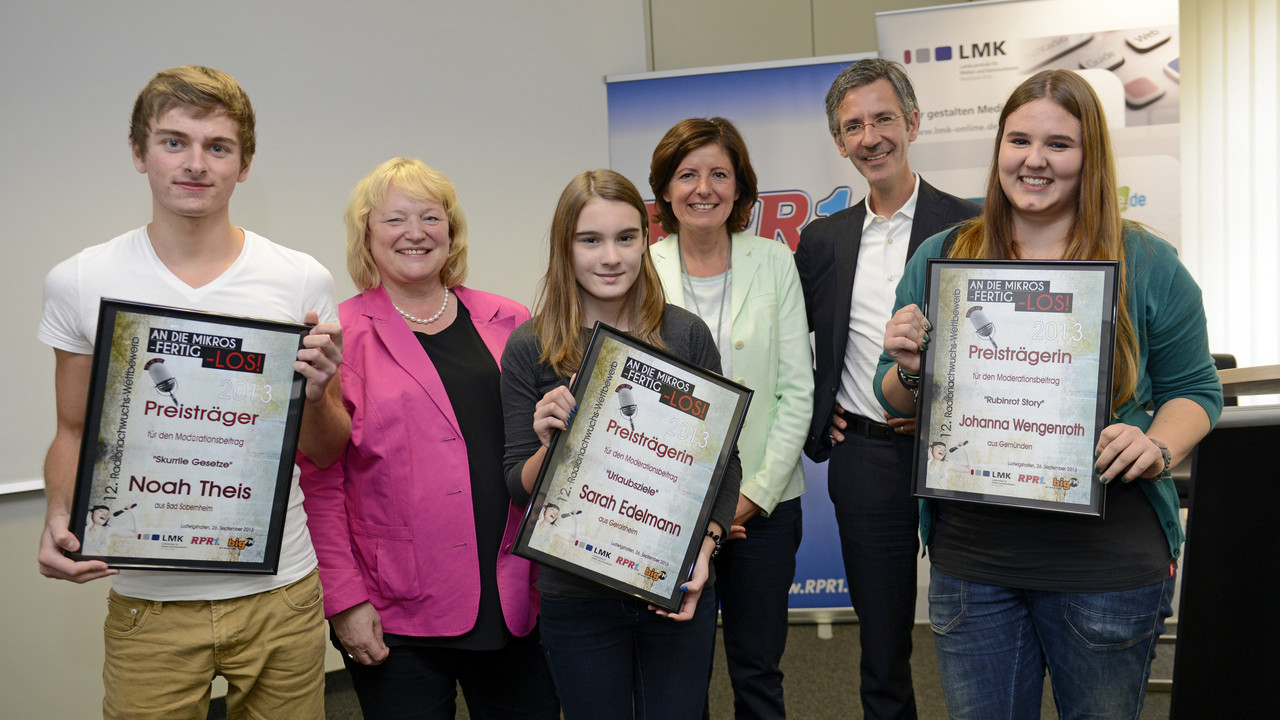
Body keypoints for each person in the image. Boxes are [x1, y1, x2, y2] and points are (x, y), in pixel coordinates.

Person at [876, 69, 1223, 718]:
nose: (1034, 160)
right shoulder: (944, 256)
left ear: (1089, 156)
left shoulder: (1147, 261)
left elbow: (1196, 392)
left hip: (1106, 568)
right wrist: (909, 364)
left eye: (1059, 145)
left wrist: (1154, 444)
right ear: (999, 149)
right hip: (974, 561)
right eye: (1018, 140)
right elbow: (893, 397)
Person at [36, 65, 349, 719]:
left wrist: (318, 394)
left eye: (218, 146)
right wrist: (56, 520)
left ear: (245, 164)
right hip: (150, 599)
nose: (195, 164)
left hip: (280, 590)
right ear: (139, 153)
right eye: (174, 141)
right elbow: (72, 431)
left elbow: (327, 447)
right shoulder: (81, 281)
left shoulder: (299, 280)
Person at [297, 158, 559, 720]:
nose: (415, 233)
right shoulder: (338, 338)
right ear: (366, 237)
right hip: (399, 608)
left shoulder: (514, 322)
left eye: (430, 217)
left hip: (516, 594)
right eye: (394, 219)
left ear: (451, 231)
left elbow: (553, 448)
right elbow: (321, 484)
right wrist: (344, 600)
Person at [501, 169, 742, 719]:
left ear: (646, 240)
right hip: (577, 592)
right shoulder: (530, 347)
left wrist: (704, 550)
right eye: (591, 240)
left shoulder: (684, 335)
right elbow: (517, 486)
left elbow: (722, 464)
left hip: (673, 582)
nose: (610, 257)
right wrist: (548, 444)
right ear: (567, 247)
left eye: (626, 237)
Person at [793, 57, 979, 719]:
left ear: (913, 122)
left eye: (882, 119)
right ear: (840, 142)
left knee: (983, 627)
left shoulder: (972, 227)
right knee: (882, 644)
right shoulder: (821, 241)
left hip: (964, 457)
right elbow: (796, 344)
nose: (869, 137)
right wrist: (825, 419)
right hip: (867, 458)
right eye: (853, 126)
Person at [648, 117, 812, 719]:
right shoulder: (642, 269)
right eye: (687, 175)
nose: (704, 188)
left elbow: (797, 391)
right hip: (669, 507)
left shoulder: (773, 261)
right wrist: (706, 509)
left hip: (765, 508)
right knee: (678, 676)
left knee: (758, 674)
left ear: (740, 188)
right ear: (664, 189)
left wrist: (748, 499)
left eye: (720, 174)